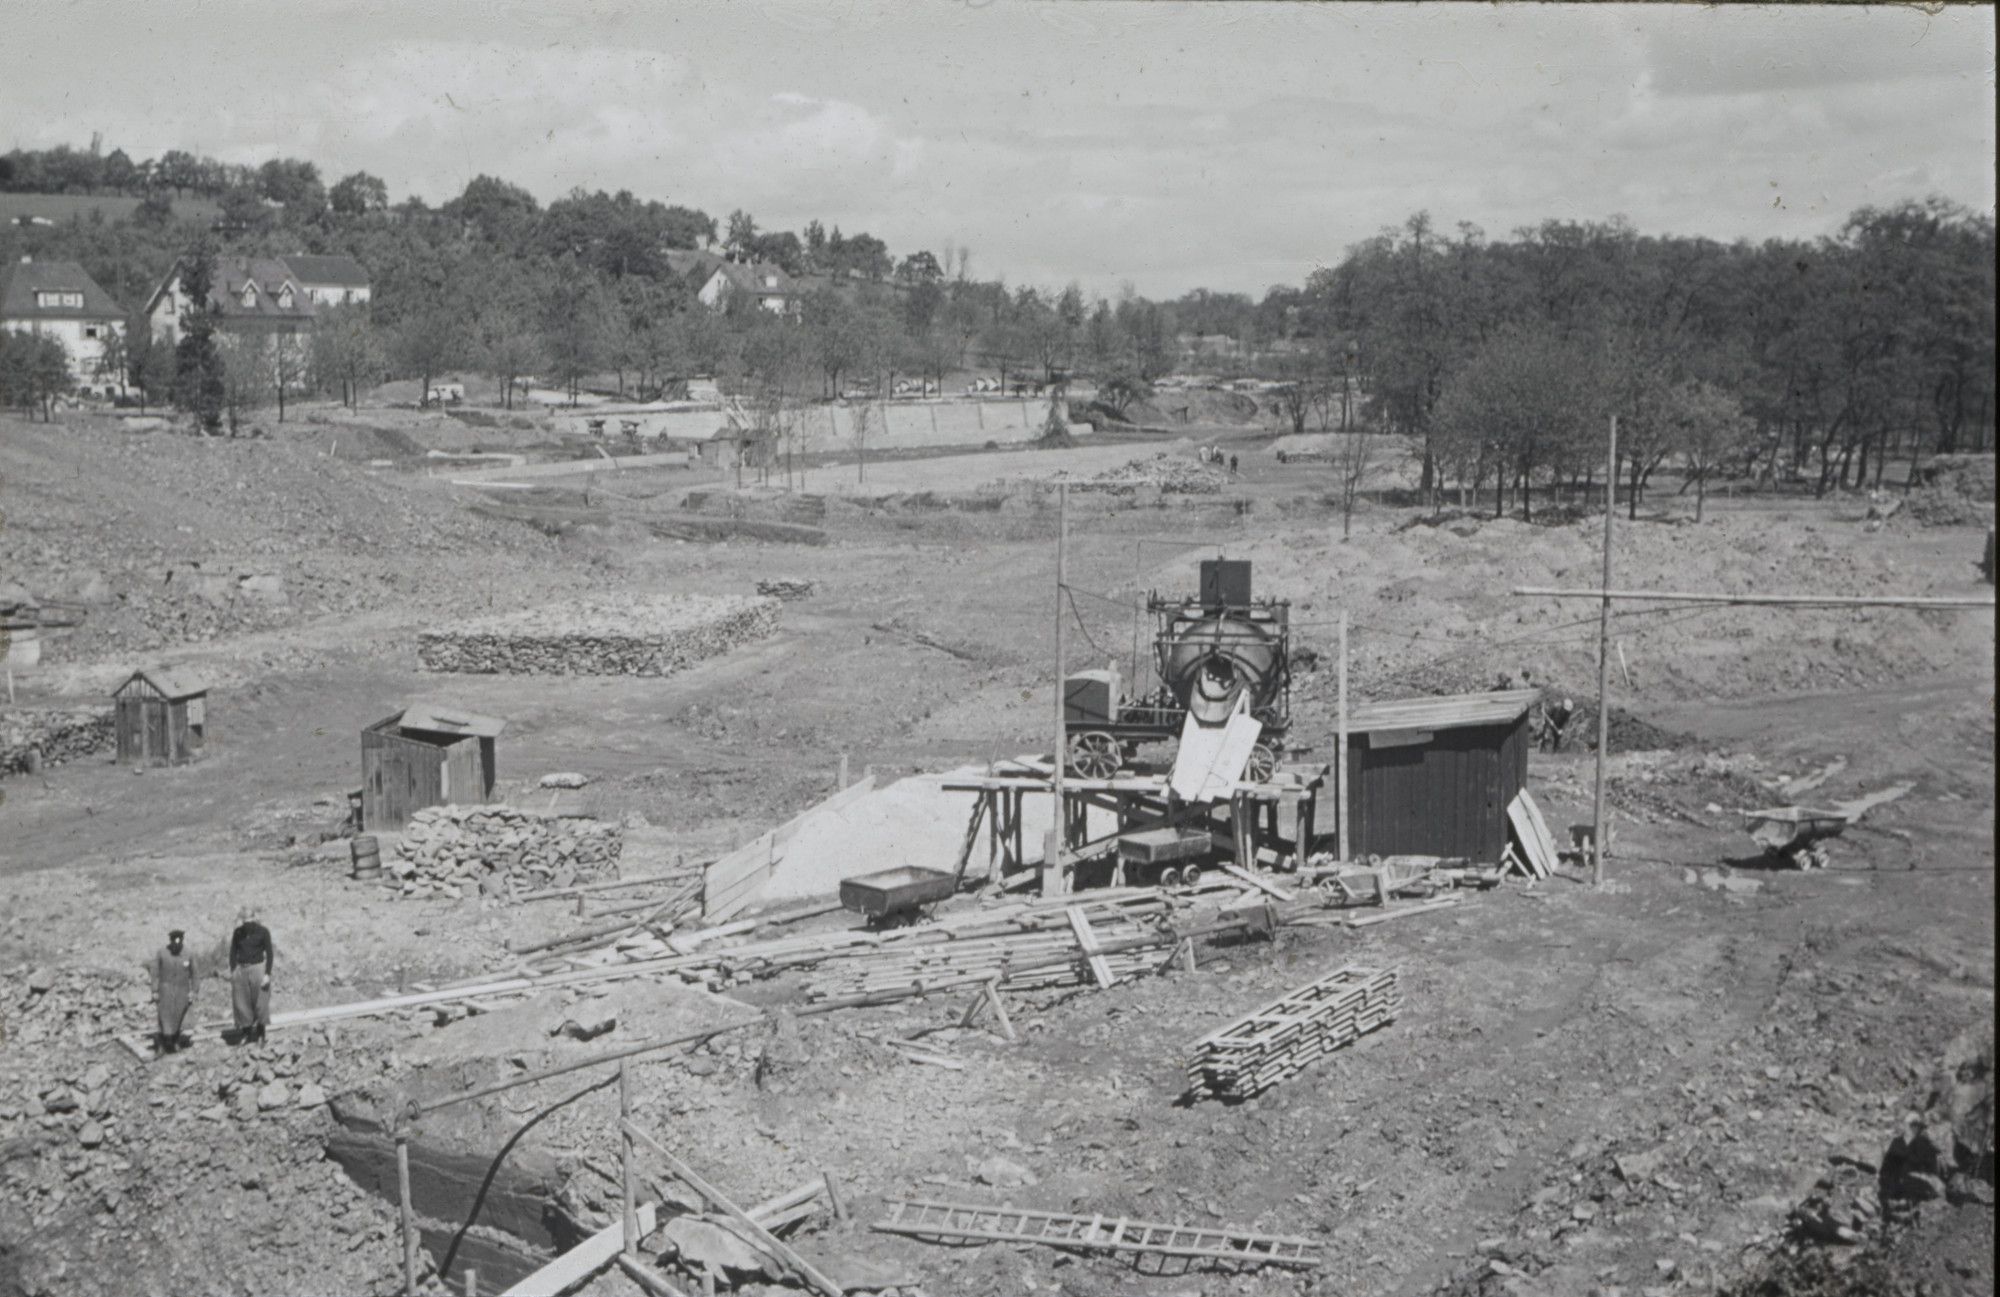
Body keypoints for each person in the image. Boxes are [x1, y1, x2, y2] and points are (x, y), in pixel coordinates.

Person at [228, 910, 274, 1045]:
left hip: (258, 968)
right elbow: (232, 951)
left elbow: (270, 953)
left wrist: (267, 973)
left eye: (250, 921)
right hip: (241, 969)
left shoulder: (263, 931)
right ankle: (246, 1033)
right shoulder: (238, 933)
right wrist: (233, 970)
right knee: (242, 1002)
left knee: (261, 1002)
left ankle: (261, 1033)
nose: (247, 925)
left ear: (254, 918)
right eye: (245, 922)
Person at [148, 929, 197, 1055]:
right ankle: (162, 1045)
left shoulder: (189, 954)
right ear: (170, 941)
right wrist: (154, 990)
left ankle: (175, 1042)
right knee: (164, 1017)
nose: (177, 946)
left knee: (179, 1016)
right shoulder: (162, 953)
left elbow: (195, 974)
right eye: (174, 943)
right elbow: (155, 973)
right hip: (166, 989)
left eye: (179, 943)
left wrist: (194, 991)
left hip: (182, 989)